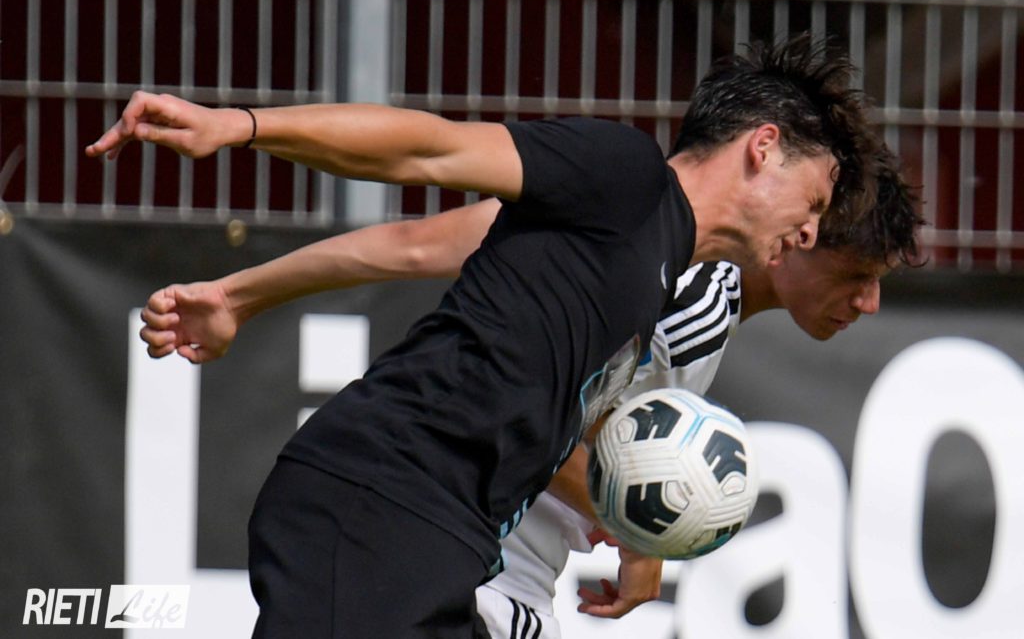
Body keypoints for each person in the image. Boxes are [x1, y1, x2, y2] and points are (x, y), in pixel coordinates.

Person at [88, 36, 879, 637]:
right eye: (814, 200)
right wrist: (238, 126)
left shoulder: (657, 271)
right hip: (379, 502)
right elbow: (427, 147)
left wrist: (236, 298)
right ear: (762, 148)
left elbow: (425, 254)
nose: (811, 230)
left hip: (448, 541)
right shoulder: (626, 175)